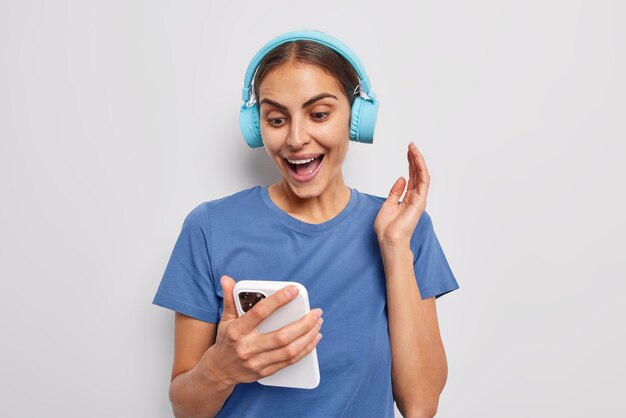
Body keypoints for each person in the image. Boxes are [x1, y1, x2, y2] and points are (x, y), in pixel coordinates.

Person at [153, 30, 459, 418]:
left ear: (355, 118)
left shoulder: (403, 229)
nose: (296, 138)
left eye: (319, 114)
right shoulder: (210, 227)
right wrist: (221, 368)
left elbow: (420, 405)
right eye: (276, 119)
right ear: (256, 125)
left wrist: (395, 249)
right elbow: (185, 408)